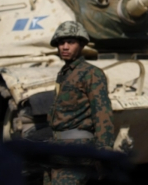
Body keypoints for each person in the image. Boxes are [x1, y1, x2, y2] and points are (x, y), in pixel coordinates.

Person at [45, 21, 115, 185]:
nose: (65, 47)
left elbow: (102, 112)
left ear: (82, 45)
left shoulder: (91, 73)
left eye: (71, 42)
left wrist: (105, 149)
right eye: (61, 43)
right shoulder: (64, 73)